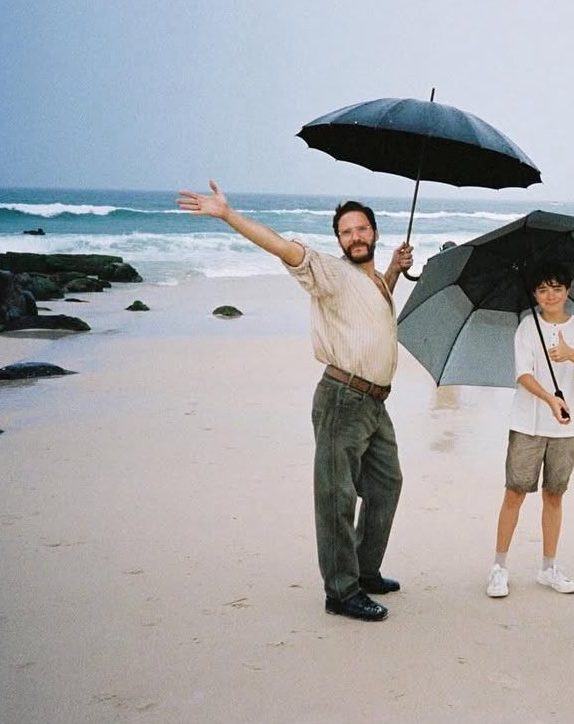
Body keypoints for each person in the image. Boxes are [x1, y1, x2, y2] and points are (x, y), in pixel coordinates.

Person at [176, 180, 413, 622]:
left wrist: (395, 272)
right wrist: (228, 215)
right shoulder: (330, 272)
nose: (355, 237)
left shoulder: (373, 281)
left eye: (363, 229)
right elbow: (284, 249)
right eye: (346, 232)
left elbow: (372, 308)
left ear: (375, 234)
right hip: (343, 398)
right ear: (338, 240)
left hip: (375, 404)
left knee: (386, 485)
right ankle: (341, 591)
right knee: (336, 495)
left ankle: (363, 570)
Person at [486, 263, 574, 599]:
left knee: (554, 495)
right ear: (535, 295)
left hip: (569, 428)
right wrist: (550, 400)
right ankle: (499, 567)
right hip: (528, 422)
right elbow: (523, 374)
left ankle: (548, 567)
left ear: (568, 290)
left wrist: (571, 354)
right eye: (542, 289)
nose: (550, 295)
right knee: (515, 492)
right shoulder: (528, 326)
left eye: (556, 288)